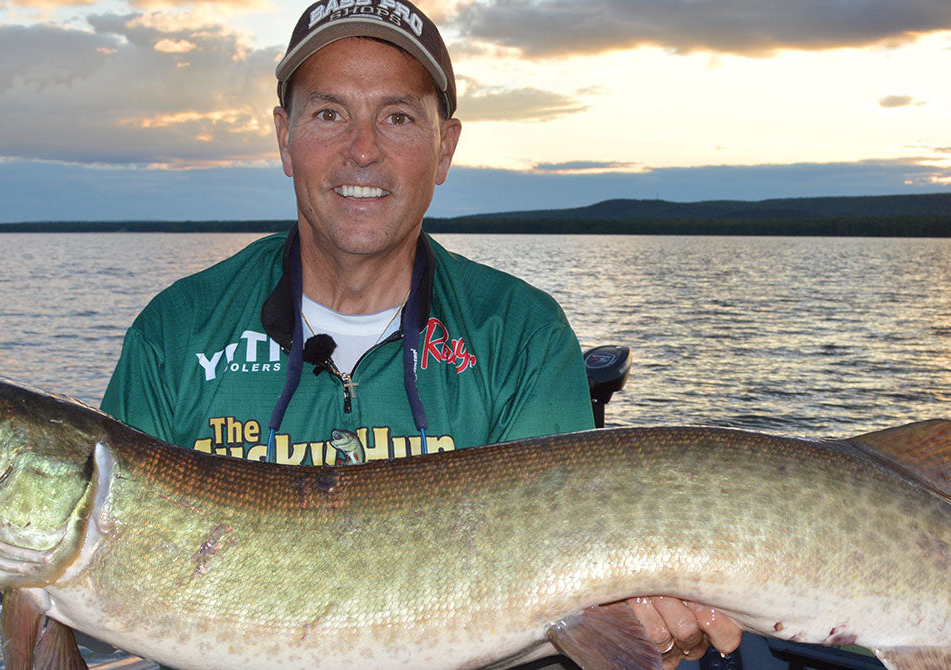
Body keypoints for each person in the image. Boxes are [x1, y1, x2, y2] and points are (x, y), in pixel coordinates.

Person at [99, 0, 740, 665]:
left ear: (445, 149)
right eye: (329, 113)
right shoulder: (174, 332)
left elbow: (568, 625)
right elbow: (112, 592)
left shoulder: (519, 336)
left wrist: (649, 641)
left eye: (398, 117)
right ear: (284, 138)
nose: (363, 149)